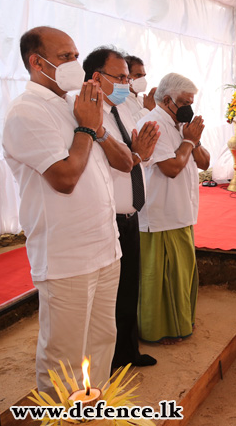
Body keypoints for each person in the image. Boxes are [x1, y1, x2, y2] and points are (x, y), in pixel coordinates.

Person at [2, 27, 133, 395]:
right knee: (64, 356)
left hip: (105, 247)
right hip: (66, 255)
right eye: (64, 57)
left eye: (76, 56)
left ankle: (93, 406)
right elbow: (65, 177)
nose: (75, 64)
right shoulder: (26, 113)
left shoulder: (73, 104)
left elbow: (124, 162)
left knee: (102, 341)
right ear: (36, 62)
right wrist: (86, 129)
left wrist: (94, 128)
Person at [82, 46, 161, 369]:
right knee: (107, 296)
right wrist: (137, 155)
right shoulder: (87, 114)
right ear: (97, 77)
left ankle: (128, 351)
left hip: (130, 215)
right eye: (120, 77)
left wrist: (142, 153)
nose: (127, 84)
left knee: (129, 287)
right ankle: (106, 360)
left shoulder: (123, 110)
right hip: (105, 216)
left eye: (129, 78)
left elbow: (139, 156)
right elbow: (121, 161)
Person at [136, 72, 210, 344]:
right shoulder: (152, 123)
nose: (190, 107)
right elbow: (171, 168)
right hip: (160, 214)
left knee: (181, 275)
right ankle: (156, 331)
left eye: (192, 101)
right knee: (161, 278)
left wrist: (194, 138)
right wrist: (188, 141)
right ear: (167, 99)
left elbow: (204, 162)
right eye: (185, 101)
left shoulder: (180, 123)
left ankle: (180, 324)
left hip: (182, 212)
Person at [123, 55, 156, 123]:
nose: (142, 79)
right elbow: (127, 127)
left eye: (143, 76)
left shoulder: (142, 100)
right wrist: (147, 110)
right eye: (138, 75)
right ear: (126, 77)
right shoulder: (120, 101)